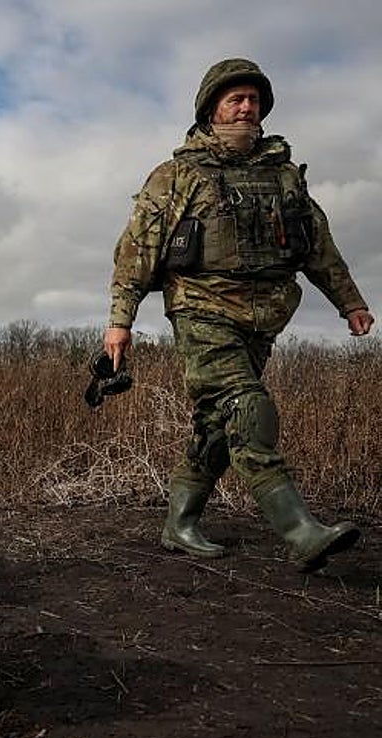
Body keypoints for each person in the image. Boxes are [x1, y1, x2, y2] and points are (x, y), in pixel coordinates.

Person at [105, 57, 374, 572]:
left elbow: (319, 247)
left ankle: (179, 523)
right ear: (212, 110)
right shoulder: (178, 175)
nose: (247, 107)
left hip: (264, 320)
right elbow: (136, 250)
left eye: (254, 99)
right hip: (201, 309)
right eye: (236, 99)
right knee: (248, 407)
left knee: (216, 425)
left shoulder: (284, 175)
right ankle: (300, 531)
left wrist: (350, 303)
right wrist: (121, 320)